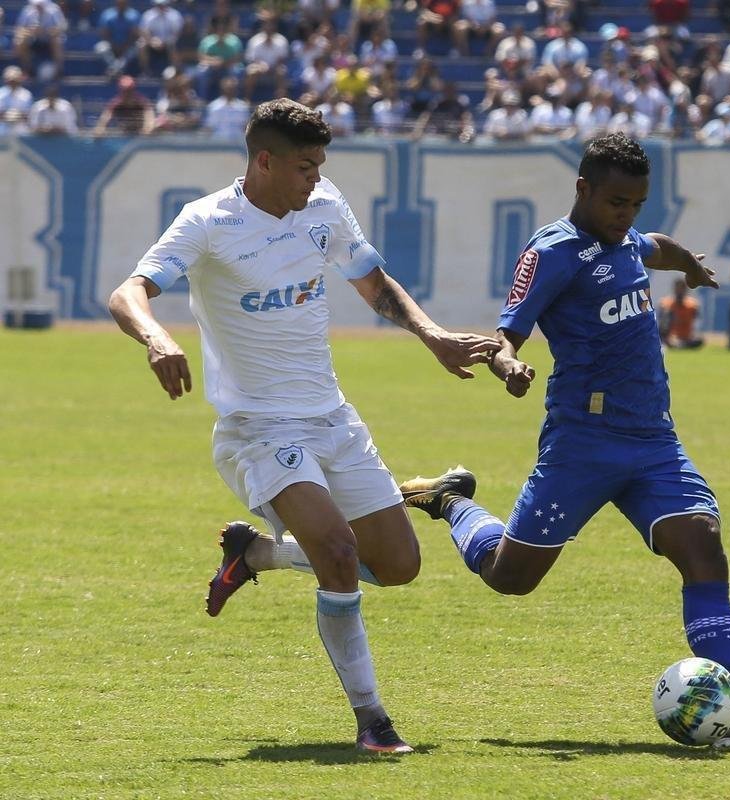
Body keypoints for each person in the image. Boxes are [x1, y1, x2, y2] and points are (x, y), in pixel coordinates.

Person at [107, 98, 500, 753]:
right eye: (302, 166)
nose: (314, 176)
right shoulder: (207, 222)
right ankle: (373, 722)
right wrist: (155, 339)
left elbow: (372, 283)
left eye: (319, 164)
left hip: (332, 419)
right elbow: (129, 292)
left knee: (398, 566)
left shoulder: (324, 207)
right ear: (263, 161)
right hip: (258, 430)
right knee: (341, 557)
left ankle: (258, 553)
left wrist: (432, 336)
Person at [397, 134, 730, 750]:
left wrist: (689, 262)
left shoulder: (627, 239)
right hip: (582, 441)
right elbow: (509, 331)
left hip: (652, 440)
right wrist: (509, 366)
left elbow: (653, 246)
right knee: (511, 578)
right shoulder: (553, 253)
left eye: (636, 204)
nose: (626, 216)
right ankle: (453, 502)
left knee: (703, 550)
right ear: (582, 189)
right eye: (616, 202)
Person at [658, 278, 704, 349]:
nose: (680, 291)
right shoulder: (666, 304)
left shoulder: (693, 305)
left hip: (687, 337)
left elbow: (698, 323)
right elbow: (662, 325)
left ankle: (680, 345)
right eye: (678, 288)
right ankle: (675, 344)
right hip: (671, 337)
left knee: (699, 340)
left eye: (682, 289)